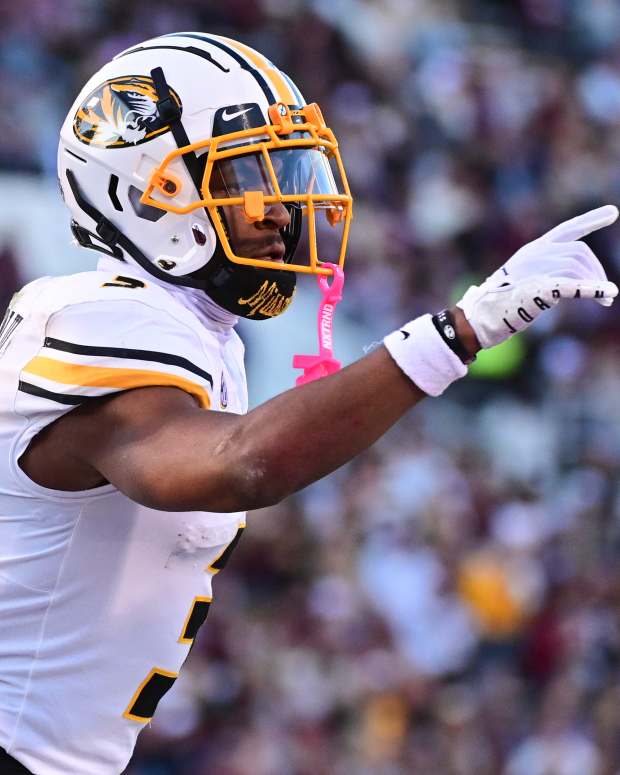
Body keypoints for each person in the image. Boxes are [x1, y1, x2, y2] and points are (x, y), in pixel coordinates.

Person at [0, 32, 617, 775]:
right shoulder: (101, 316)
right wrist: (460, 329)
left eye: (278, 170)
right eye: (244, 178)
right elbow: (241, 464)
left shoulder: (199, 336)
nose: (279, 208)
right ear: (146, 193)